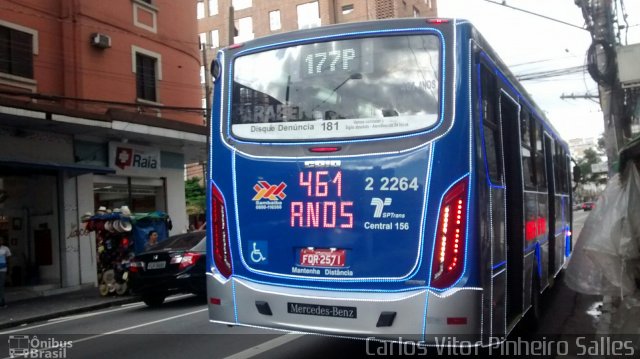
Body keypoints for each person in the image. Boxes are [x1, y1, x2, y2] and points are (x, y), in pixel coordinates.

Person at [0, 236, 11, 308]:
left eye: (1, 240)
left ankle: (2, 301)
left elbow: (9, 259)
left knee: (1, 285)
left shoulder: (5, 248)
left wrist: (9, 269)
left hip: (3, 269)